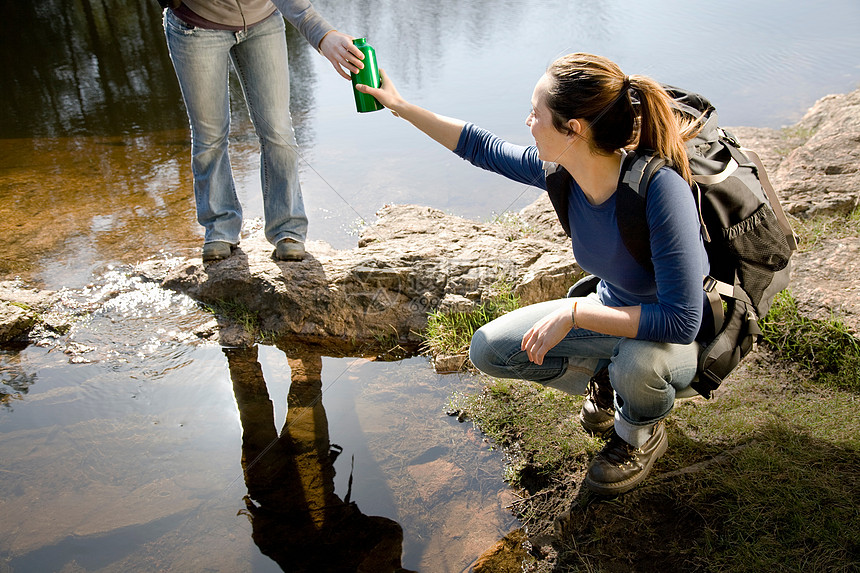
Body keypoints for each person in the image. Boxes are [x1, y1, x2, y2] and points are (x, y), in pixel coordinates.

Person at [357, 53, 711, 495]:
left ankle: (641, 430)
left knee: (639, 364)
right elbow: (479, 147)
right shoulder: (564, 173)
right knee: (490, 350)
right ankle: (606, 376)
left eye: (536, 113)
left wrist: (576, 315)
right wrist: (400, 106)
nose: (527, 121)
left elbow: (682, 321)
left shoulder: (659, 191)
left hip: (673, 342)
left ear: (573, 129)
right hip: (612, 311)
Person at [162, 0, 366, 262]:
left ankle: (287, 228)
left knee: (278, 130)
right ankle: (219, 228)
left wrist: (324, 35)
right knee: (209, 135)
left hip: (263, 21)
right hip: (196, 25)